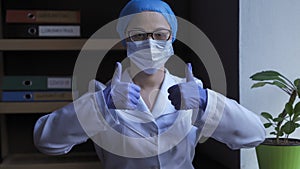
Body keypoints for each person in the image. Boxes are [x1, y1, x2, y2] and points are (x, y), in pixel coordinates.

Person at [33, 0, 266, 169]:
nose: (150, 43)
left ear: (171, 38)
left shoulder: (191, 91)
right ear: (125, 40)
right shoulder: (103, 96)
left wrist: (206, 102)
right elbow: (46, 141)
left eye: (160, 35)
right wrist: (101, 105)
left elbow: (254, 134)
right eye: (138, 35)